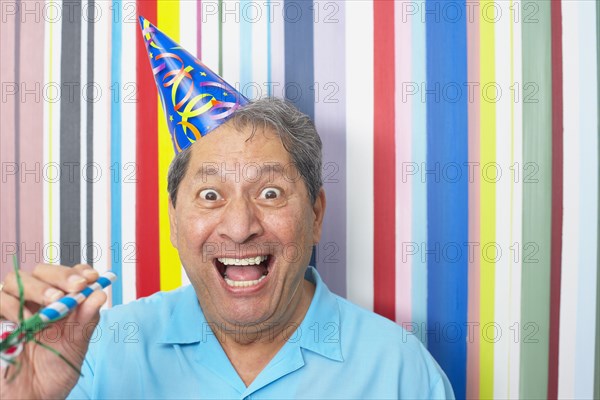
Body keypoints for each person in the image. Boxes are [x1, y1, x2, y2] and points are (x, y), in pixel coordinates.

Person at [0, 19, 454, 400]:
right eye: (211, 195)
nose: (239, 228)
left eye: (271, 193)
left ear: (315, 215)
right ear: (175, 221)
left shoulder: (400, 371)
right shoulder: (91, 352)